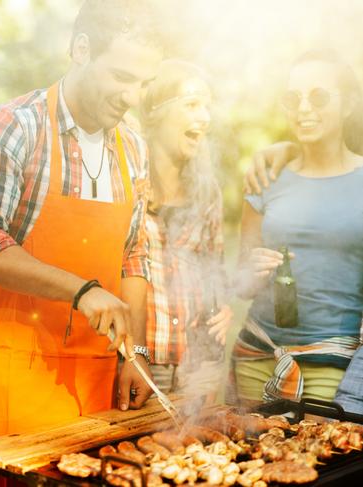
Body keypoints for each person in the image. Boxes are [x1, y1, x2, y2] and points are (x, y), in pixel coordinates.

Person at [0, 1, 163, 484]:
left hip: (94, 377)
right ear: (81, 49)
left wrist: (138, 353)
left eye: (143, 84)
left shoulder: (133, 147)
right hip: (13, 371)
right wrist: (83, 290)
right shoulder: (12, 127)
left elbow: (134, 256)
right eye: (122, 76)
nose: (132, 95)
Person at [231, 49, 363, 406]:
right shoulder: (266, 178)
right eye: (294, 98)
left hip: (331, 366)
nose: (303, 108)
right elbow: (241, 285)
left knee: (318, 462)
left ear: (348, 104)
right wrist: (252, 272)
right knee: (242, 460)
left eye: (318, 96)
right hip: (256, 356)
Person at [138, 60, 233, 404]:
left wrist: (224, 306)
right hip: (145, 362)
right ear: (156, 113)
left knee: (203, 456)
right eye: (192, 104)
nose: (205, 117)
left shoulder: (207, 191)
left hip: (200, 361)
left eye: (207, 106)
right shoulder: (126, 181)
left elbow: (215, 270)